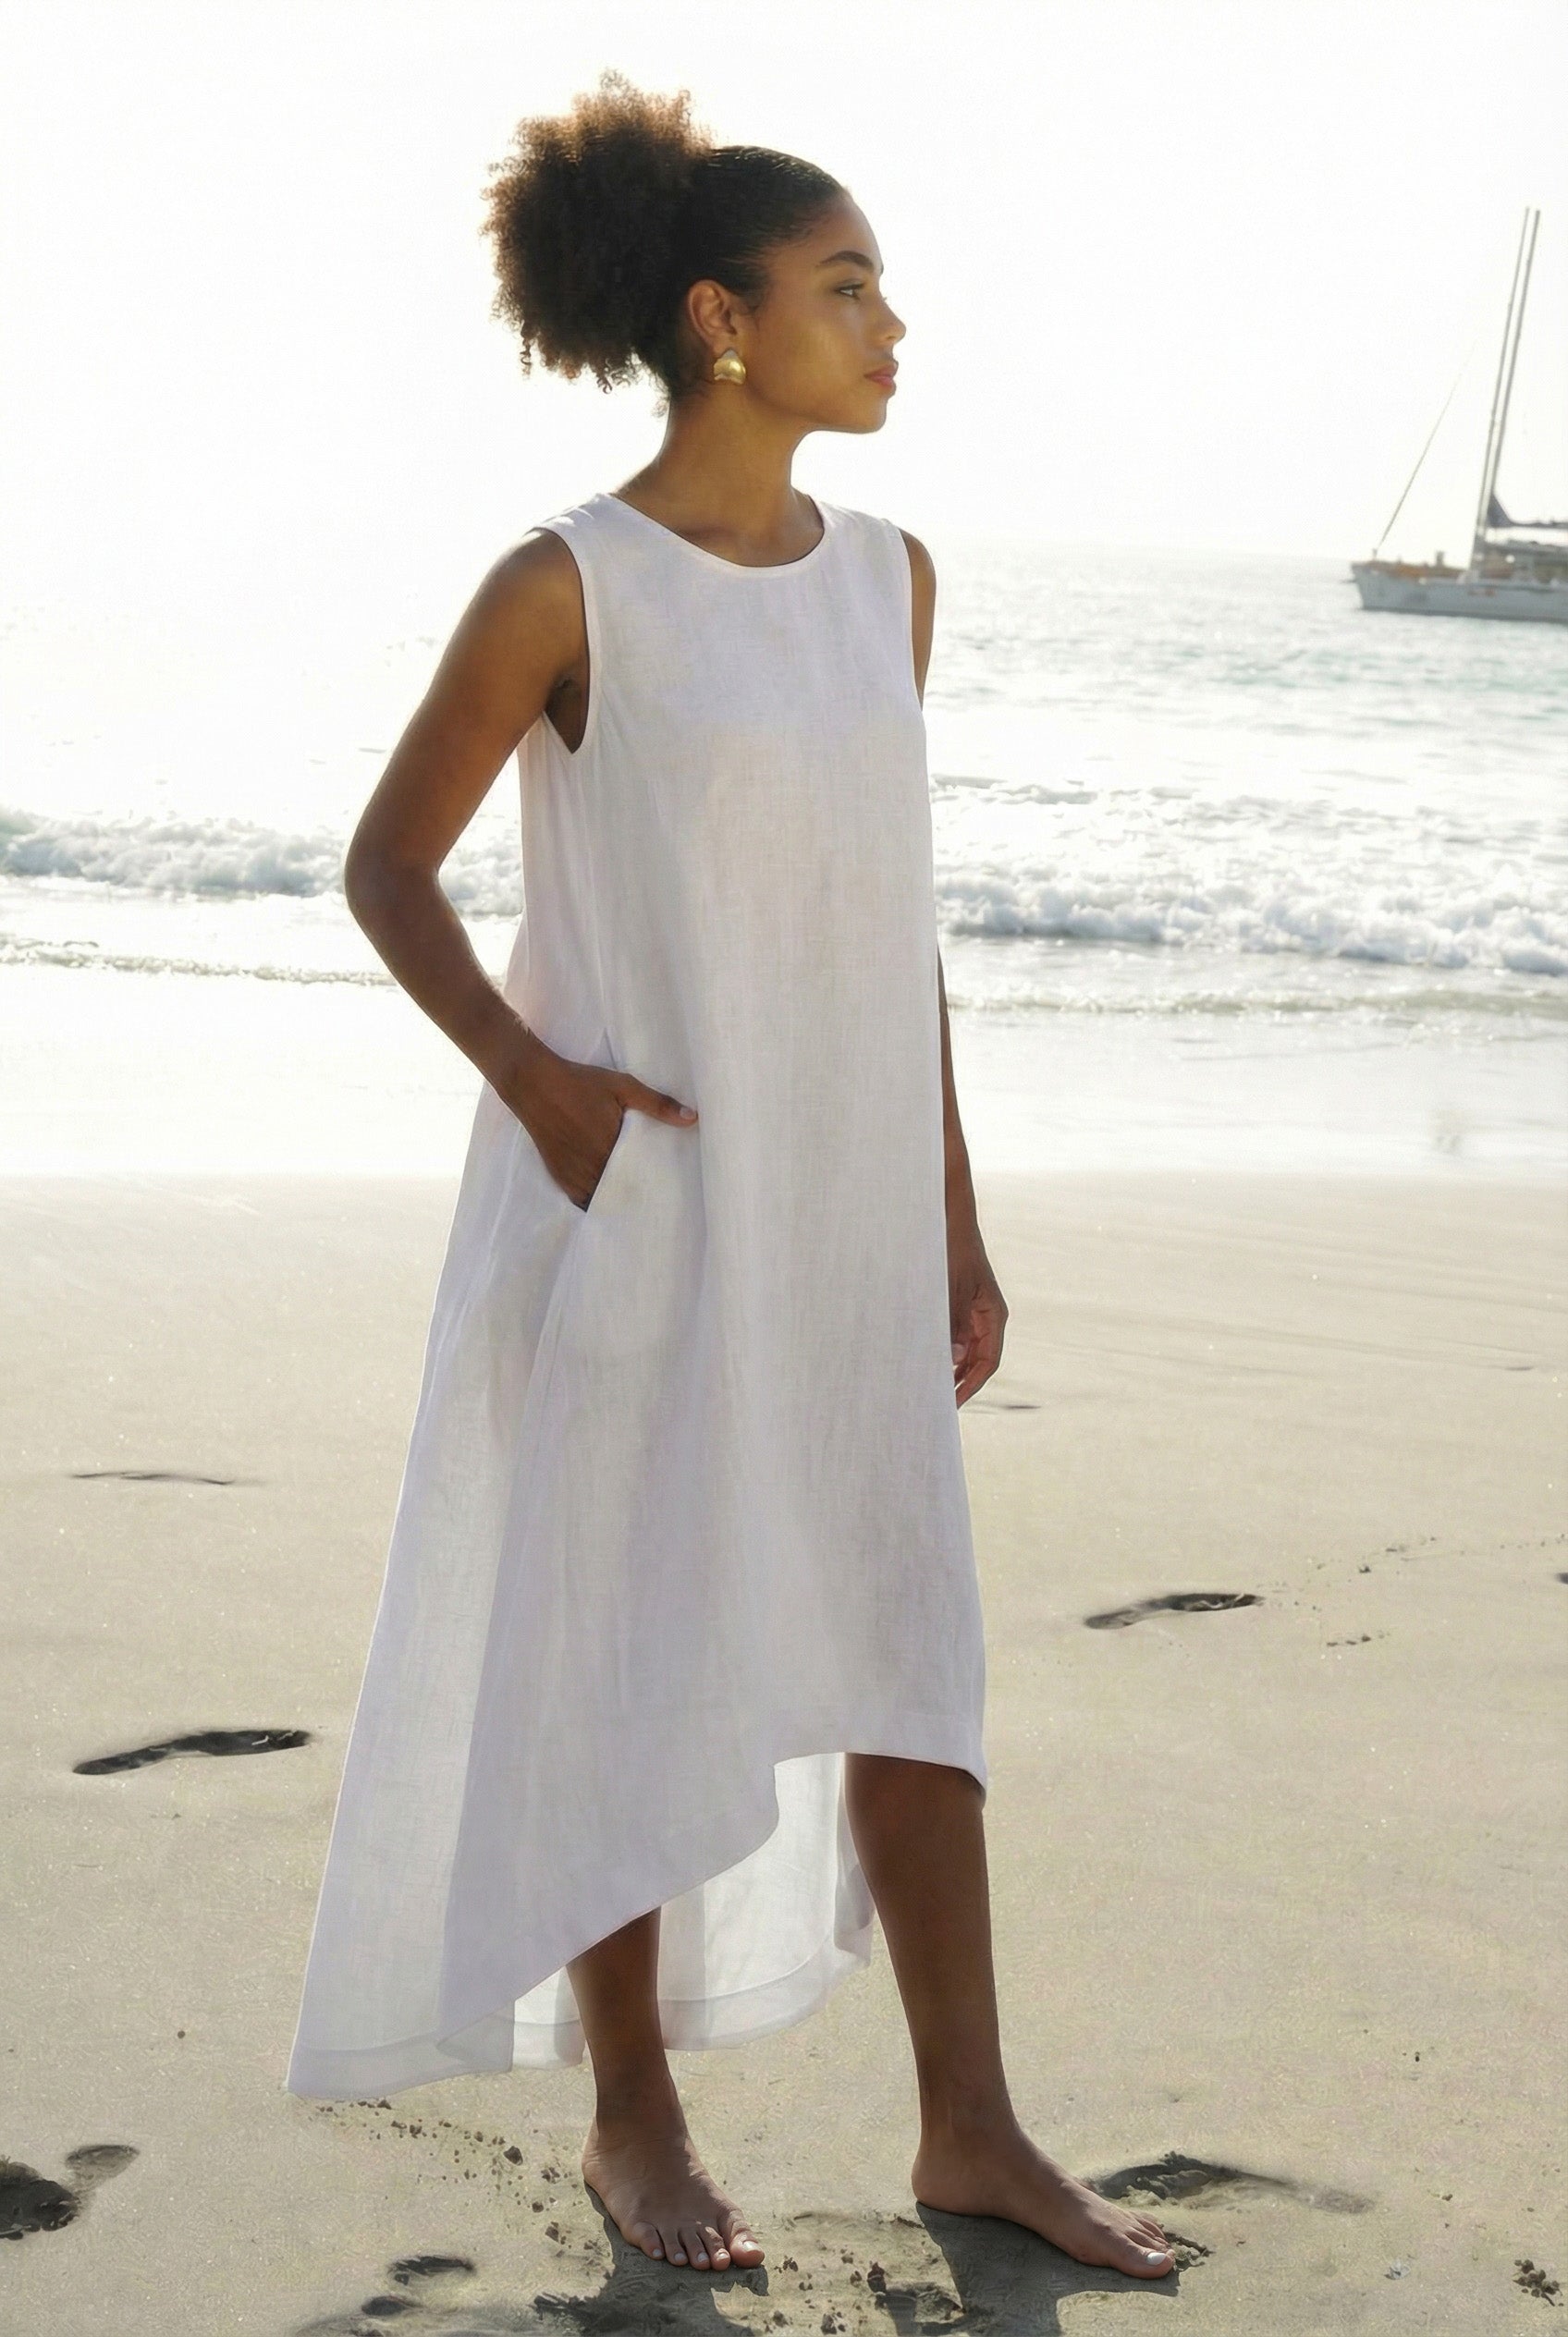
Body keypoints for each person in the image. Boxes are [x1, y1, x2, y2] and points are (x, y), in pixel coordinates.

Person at [284, 68, 1174, 2289]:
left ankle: (968, 2124)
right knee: (626, 1638)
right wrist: (539, 1085)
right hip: (640, 1207)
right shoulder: (558, 583)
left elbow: (891, 930)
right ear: (717, 319)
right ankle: (629, 2117)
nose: (890, 329)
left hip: (847, 1216)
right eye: (845, 288)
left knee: (909, 1646)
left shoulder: (888, 581)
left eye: (882, 289)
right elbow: (385, 868)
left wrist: (949, 1213)